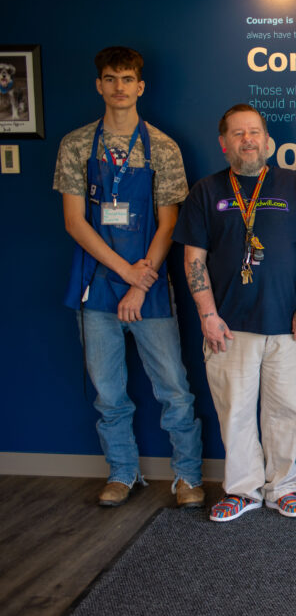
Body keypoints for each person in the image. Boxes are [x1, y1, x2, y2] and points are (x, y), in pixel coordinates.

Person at [54, 46, 203, 508]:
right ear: (99, 85)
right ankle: (122, 472)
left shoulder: (162, 147)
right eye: (110, 78)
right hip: (97, 286)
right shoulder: (77, 145)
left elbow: (168, 223)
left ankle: (188, 478)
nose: (119, 87)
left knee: (174, 389)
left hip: (152, 287)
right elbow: (75, 223)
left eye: (127, 79)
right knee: (108, 392)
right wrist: (125, 276)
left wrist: (143, 281)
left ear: (141, 86)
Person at [174, 104, 296, 522]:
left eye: (254, 132)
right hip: (229, 327)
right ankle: (242, 490)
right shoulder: (206, 191)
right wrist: (207, 315)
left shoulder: (295, 186)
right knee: (234, 412)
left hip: (289, 326)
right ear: (223, 144)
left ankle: (282, 487)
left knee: (287, 410)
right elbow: (193, 260)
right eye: (238, 134)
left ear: (268, 141)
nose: (248, 140)